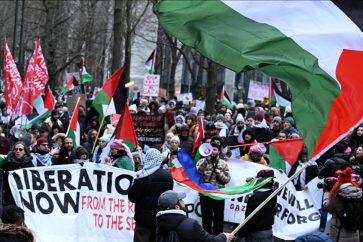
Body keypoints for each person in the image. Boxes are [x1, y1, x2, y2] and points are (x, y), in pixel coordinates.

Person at [128, 148, 173, 242]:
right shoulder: (168, 176)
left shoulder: (142, 175)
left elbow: (132, 197)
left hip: (143, 219)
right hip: (161, 218)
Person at [156, 190, 234, 242]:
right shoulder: (191, 224)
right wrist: (224, 236)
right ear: (177, 207)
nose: (183, 201)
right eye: (180, 200)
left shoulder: (159, 225)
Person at [196, 143, 231, 235]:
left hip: (218, 194)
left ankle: (218, 237)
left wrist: (220, 174)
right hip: (206, 194)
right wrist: (205, 163)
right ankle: (206, 237)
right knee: (206, 217)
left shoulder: (223, 163)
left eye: (214, 149)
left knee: (219, 218)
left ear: (218, 151)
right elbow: (196, 176)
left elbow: (227, 179)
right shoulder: (201, 162)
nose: (212, 151)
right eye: (211, 149)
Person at [235, 170, 277, 242]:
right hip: (269, 232)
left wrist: (240, 235)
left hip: (256, 235)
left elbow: (249, 220)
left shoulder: (255, 197)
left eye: (257, 179)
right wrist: (253, 182)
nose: (255, 180)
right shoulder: (273, 194)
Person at [323, 167, 362, 241]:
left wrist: (326, 193)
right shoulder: (358, 194)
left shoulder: (338, 197)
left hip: (339, 234)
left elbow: (326, 207)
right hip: (355, 232)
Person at [1, 142, 34, 206]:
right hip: (10, 194)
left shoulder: (29, 163)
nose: (18, 151)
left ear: (24, 152)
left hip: (25, 194)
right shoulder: (8, 162)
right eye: (16, 149)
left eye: (20, 149)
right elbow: (2, 175)